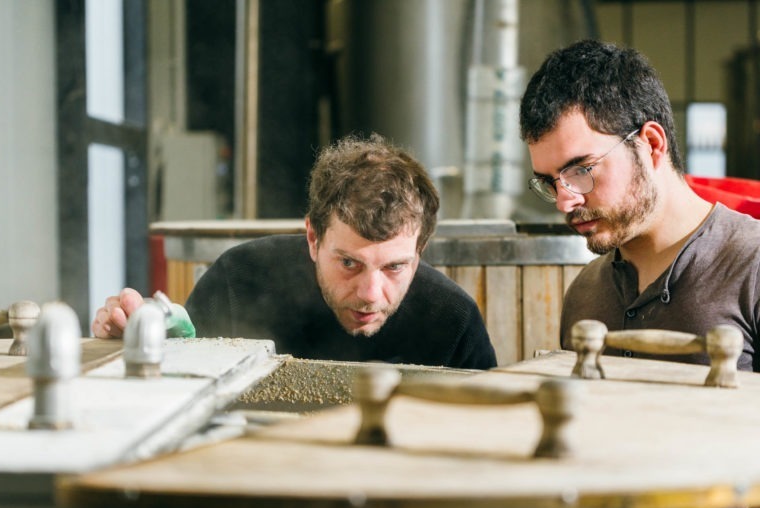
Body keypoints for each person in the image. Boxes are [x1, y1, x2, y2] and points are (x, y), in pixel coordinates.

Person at [92, 134, 497, 370]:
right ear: (313, 238)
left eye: (394, 267)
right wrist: (131, 335)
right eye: (349, 263)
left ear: (419, 250)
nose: (371, 293)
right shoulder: (240, 279)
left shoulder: (453, 322)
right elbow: (175, 381)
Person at [519, 39, 760, 371]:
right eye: (550, 181)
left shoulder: (752, 269)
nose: (564, 201)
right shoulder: (586, 292)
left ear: (652, 144)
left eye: (581, 170)